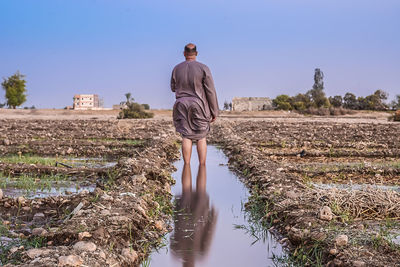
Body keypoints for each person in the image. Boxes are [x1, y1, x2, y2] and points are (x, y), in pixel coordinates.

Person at [171, 43, 219, 165]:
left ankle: (186, 165)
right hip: (198, 105)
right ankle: (202, 165)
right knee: (201, 136)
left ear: (184, 53)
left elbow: (173, 88)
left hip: (180, 104)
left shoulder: (176, 69)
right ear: (196, 53)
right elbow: (210, 91)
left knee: (186, 136)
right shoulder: (203, 68)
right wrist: (214, 111)